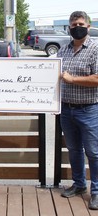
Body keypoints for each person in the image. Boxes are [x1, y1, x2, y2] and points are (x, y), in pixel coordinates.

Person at [58, 11, 98, 210]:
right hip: (66, 109)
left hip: (89, 109)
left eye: (81, 24)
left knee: (94, 152)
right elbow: (51, 75)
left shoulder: (96, 48)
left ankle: (97, 191)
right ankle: (79, 184)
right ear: (69, 27)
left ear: (88, 26)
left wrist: (73, 79)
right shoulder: (62, 50)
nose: (77, 27)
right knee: (74, 150)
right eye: (73, 24)